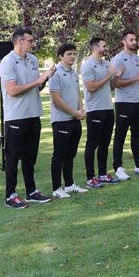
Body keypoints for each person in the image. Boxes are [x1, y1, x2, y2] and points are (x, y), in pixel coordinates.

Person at [1, 28, 54, 208]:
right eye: (30, 40)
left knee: (30, 157)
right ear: (19, 41)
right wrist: (38, 81)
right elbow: (13, 90)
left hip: (33, 114)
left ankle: (31, 192)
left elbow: (36, 88)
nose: (33, 43)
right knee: (13, 158)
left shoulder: (33, 60)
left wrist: (45, 79)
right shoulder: (8, 62)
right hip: (16, 116)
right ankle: (10, 195)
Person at [111, 30, 139, 180]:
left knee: (137, 136)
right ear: (124, 42)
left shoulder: (138, 59)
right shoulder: (117, 60)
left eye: (135, 39)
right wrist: (137, 77)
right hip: (124, 103)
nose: (134, 42)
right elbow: (115, 84)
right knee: (120, 136)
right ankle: (118, 167)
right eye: (131, 40)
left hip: (138, 103)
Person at [81, 37, 121, 188]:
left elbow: (111, 87)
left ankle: (103, 174)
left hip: (108, 109)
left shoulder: (107, 64)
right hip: (95, 110)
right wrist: (108, 75)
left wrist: (115, 77)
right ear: (96, 47)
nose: (106, 48)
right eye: (104, 46)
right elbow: (91, 87)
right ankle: (90, 178)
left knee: (105, 143)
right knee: (93, 144)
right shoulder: (87, 66)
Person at [49, 43, 87, 198]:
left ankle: (70, 184)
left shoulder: (73, 72)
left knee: (70, 154)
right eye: (69, 54)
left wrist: (81, 109)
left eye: (73, 53)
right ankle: (57, 188)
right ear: (61, 56)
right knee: (59, 155)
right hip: (61, 120)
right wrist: (74, 112)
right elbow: (56, 100)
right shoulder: (56, 73)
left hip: (74, 119)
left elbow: (77, 93)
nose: (72, 56)